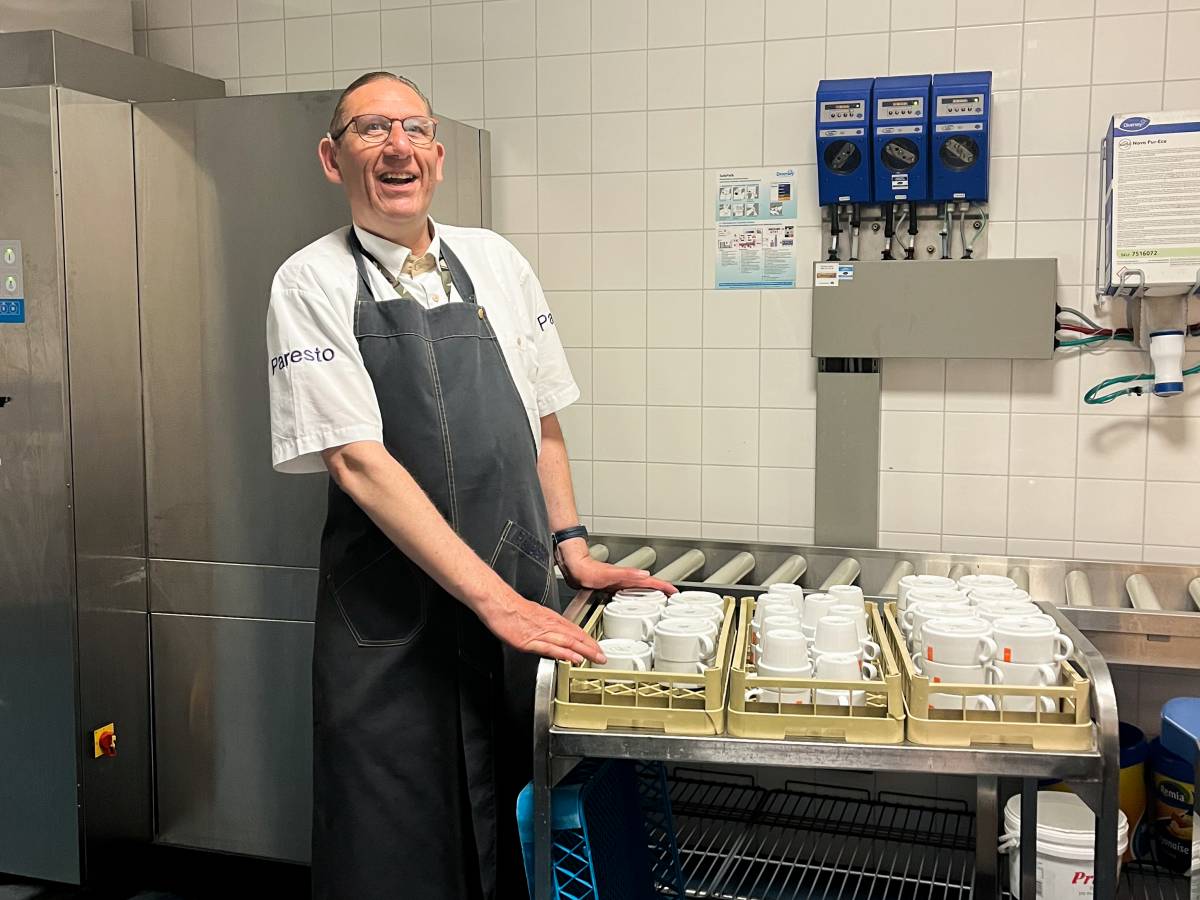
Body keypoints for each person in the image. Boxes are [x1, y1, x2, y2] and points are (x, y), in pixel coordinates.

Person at [264, 72, 676, 900]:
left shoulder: (497, 261)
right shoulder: (308, 283)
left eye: (414, 129)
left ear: (438, 156)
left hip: (515, 592)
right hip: (392, 621)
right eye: (371, 129)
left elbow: (541, 416)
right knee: (396, 843)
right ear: (332, 158)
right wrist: (496, 602)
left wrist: (572, 549)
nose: (397, 146)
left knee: (519, 828)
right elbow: (356, 460)